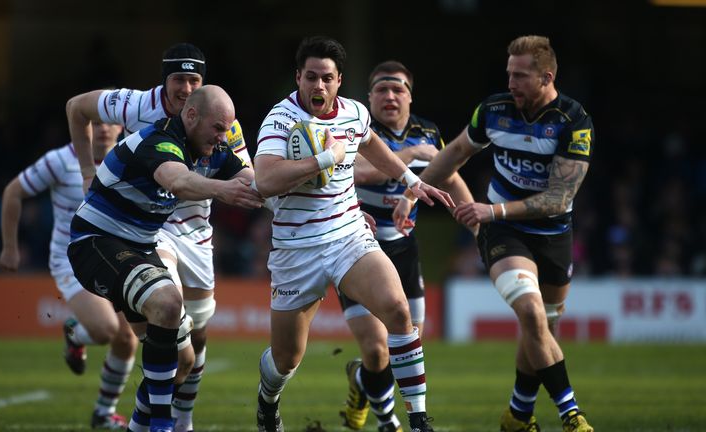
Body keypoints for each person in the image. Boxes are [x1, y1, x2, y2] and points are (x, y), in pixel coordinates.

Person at [393, 35, 594, 432]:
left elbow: (558, 197)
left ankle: (518, 414)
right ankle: (572, 414)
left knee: (544, 327)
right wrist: (411, 192)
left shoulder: (574, 122)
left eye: (520, 76)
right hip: (503, 231)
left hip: (553, 233)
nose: (511, 83)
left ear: (546, 77)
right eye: (509, 74)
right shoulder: (493, 110)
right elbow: (454, 153)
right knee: (532, 313)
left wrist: (492, 207)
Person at [252, 36, 454, 432]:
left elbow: (373, 144)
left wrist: (410, 179)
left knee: (399, 312)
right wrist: (325, 158)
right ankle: (268, 399)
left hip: (349, 235)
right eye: (311, 77)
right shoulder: (280, 120)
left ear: (339, 80)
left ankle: (418, 420)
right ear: (298, 77)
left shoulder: (355, 113)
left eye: (327, 78)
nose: (318, 86)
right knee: (286, 359)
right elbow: (264, 179)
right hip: (297, 249)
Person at [66, 42, 251, 432]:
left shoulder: (218, 130)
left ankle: (146, 424)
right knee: (166, 307)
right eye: (178, 80)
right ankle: (165, 424)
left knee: (187, 355)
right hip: (107, 238)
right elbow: (178, 180)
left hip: (169, 234)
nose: (185, 87)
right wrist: (87, 170)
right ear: (189, 112)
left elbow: (251, 178)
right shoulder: (151, 127)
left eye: (193, 80)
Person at [338, 61, 475, 432]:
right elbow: (357, 173)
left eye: (397, 89)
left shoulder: (428, 131)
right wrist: (412, 156)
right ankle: (390, 423)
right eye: (381, 89)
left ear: (410, 96)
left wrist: (477, 223)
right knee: (376, 348)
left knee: (408, 343)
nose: (389, 96)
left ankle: (361, 382)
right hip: (354, 247)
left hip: (402, 248)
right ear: (369, 98)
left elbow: (447, 174)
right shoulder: (356, 127)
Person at [0, 121, 136, 430]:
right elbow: (13, 192)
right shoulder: (60, 160)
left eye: (109, 122)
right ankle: (76, 332)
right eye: (95, 121)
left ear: (121, 127)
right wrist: (10, 247)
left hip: (115, 259)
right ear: (82, 126)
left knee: (127, 340)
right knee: (105, 330)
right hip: (71, 260)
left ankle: (103, 413)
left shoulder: (130, 158)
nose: (102, 128)